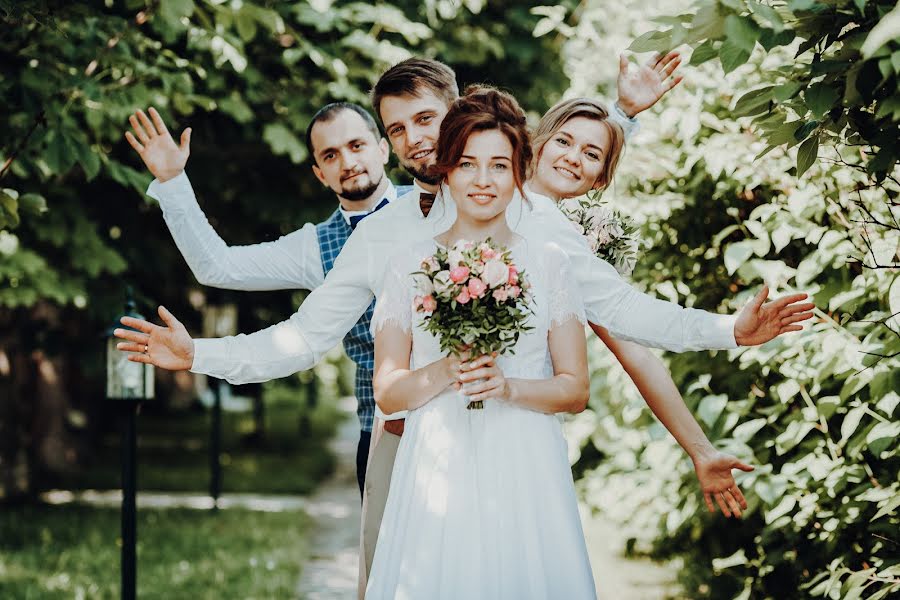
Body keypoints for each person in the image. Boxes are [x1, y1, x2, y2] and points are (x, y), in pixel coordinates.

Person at [114, 56, 813, 593]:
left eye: (426, 120)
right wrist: (199, 354)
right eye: (396, 128)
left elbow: (624, 310)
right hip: (412, 446)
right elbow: (301, 337)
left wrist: (730, 330)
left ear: (456, 120)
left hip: (521, 452)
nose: (417, 139)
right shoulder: (384, 240)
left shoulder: (536, 220)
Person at [365, 86, 595, 598]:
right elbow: (388, 392)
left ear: (520, 173)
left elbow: (575, 390)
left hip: (526, 463)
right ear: (446, 168)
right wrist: (447, 370)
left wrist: (508, 387)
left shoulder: (550, 262)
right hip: (435, 466)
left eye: (499, 165)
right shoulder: (408, 265)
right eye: (468, 164)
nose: (483, 181)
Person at [123, 102, 412, 494]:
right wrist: (174, 182)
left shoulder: (436, 206)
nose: (347, 161)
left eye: (356, 145)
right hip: (379, 432)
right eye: (330, 155)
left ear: (382, 148)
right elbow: (219, 267)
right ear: (319, 174)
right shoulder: (315, 246)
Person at [528, 97, 756, 517]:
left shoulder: (561, 233)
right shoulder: (497, 196)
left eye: (591, 155)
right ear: (537, 143)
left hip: (527, 413)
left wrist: (701, 449)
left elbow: (628, 326)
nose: (573, 158)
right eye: (563, 141)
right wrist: (728, 330)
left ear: (600, 180)